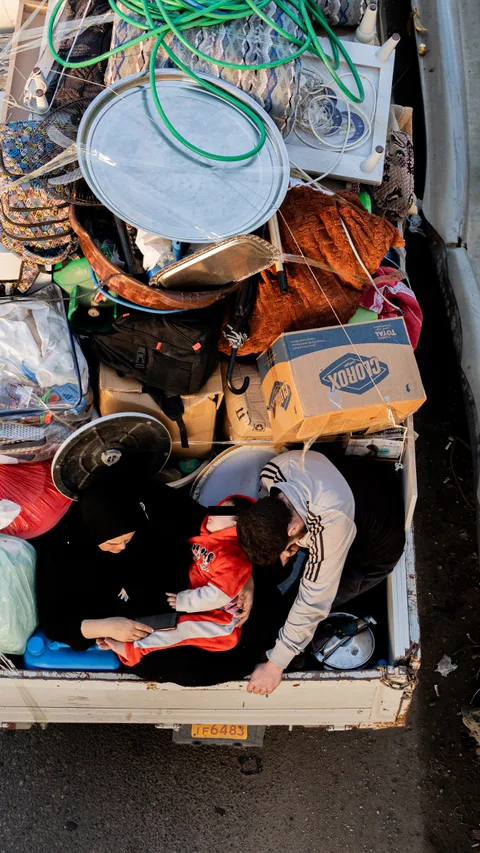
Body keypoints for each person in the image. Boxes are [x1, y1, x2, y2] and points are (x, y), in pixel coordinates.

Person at [236, 450, 406, 696]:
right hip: (356, 489)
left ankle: (298, 653)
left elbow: (313, 602)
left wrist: (276, 664)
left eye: (287, 544)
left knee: (312, 600)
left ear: (292, 527)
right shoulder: (273, 473)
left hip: (374, 549)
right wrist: (249, 580)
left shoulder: (330, 524)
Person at [35, 476, 253, 651]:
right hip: (123, 630)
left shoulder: (151, 502)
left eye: (127, 540)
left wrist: (246, 579)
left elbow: (215, 523)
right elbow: (54, 622)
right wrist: (105, 626)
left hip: (189, 598)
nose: (121, 547)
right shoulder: (62, 551)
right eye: (112, 543)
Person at [104, 496, 254, 664]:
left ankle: (132, 649)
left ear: (236, 525)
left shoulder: (234, 558)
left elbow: (219, 594)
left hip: (222, 623)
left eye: (223, 511)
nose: (213, 512)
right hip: (200, 608)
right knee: (167, 622)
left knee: (179, 629)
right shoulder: (208, 540)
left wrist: (185, 601)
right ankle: (125, 632)